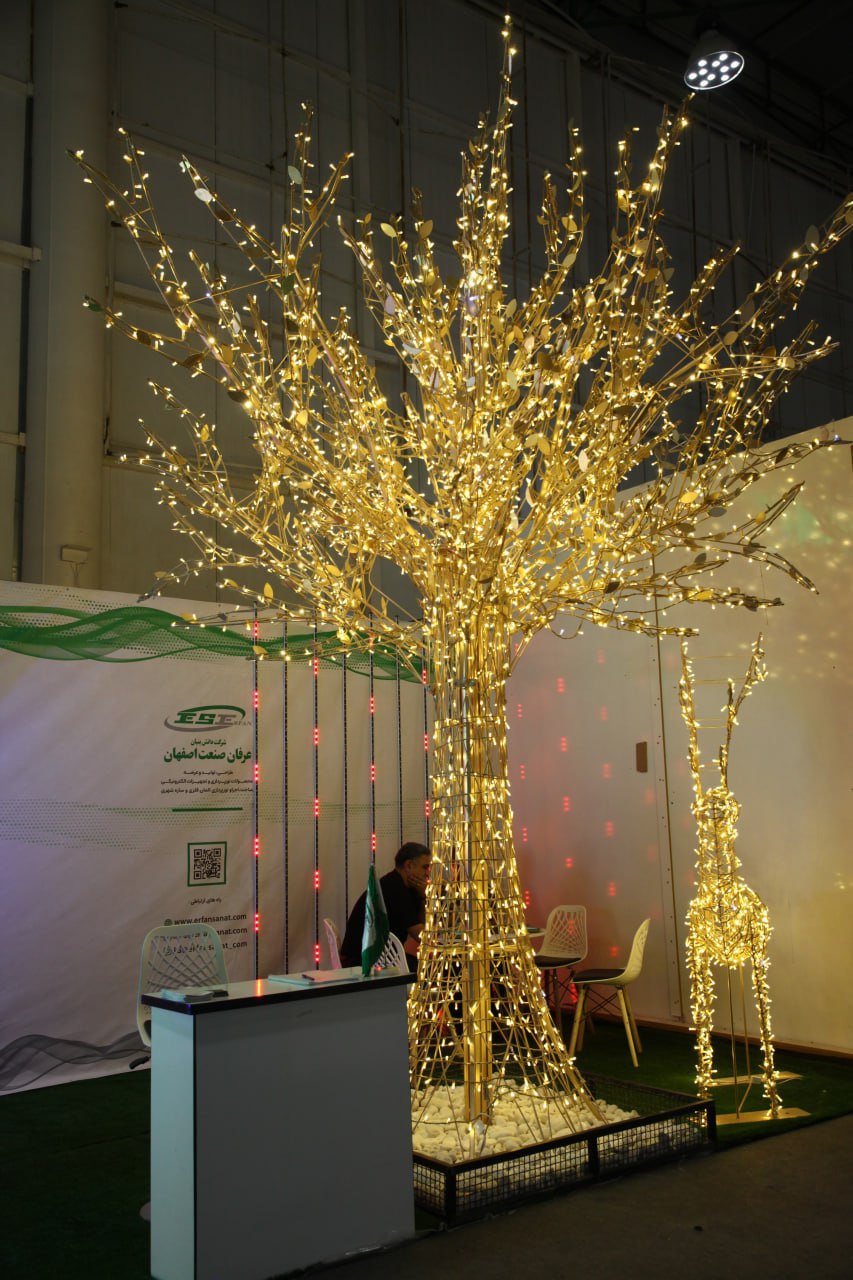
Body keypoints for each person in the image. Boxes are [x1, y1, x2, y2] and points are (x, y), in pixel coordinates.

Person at [339, 842, 431, 971]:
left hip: (377, 957)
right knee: (437, 970)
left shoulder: (398, 884)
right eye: (425, 867)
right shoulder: (395, 889)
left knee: (430, 967)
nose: (427, 873)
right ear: (409, 865)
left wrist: (423, 897)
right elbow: (421, 936)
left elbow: (420, 925)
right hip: (364, 961)